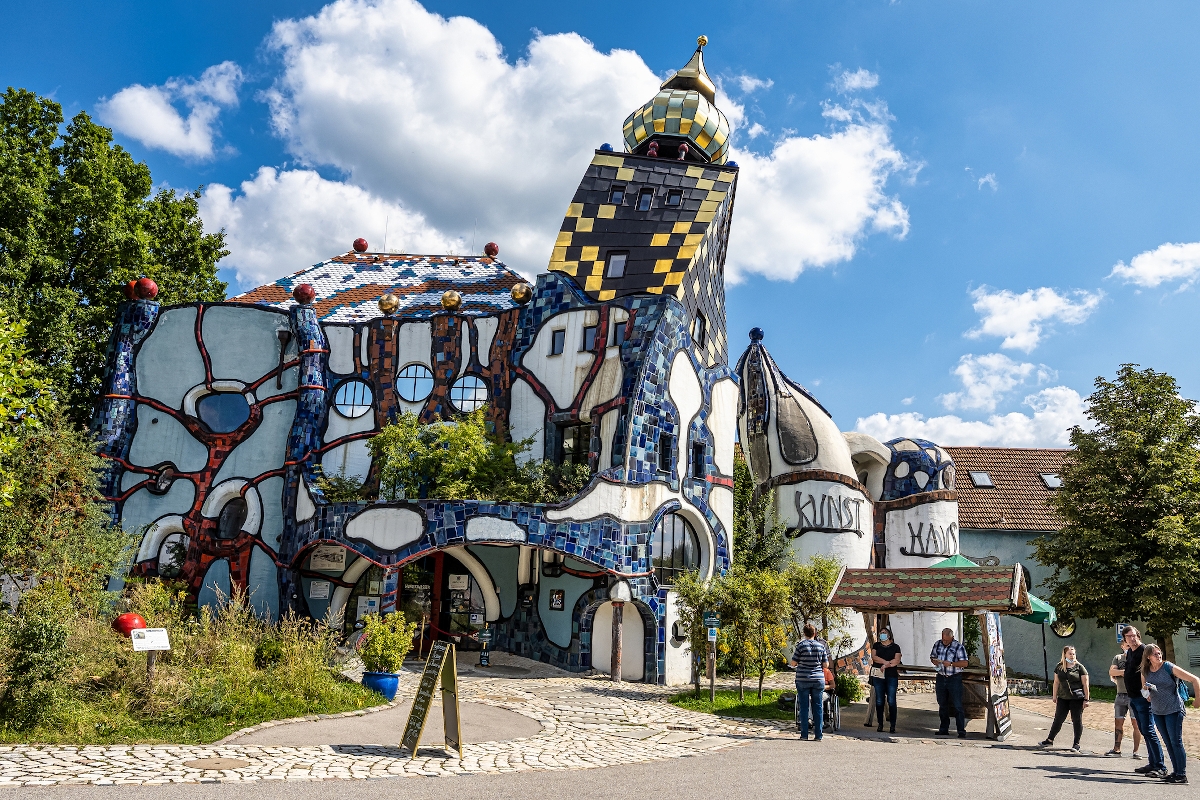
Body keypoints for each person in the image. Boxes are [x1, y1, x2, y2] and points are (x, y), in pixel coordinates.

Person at [1141, 643, 1200, 784]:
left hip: (1173, 709)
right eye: (1155, 654)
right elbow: (1144, 689)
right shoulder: (1146, 670)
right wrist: (1147, 693)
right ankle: (1176, 772)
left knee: (1176, 742)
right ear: (1148, 657)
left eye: (1159, 652)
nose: (1158, 655)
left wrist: (1198, 699)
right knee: (1168, 742)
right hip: (1157, 710)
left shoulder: (1168, 667)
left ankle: (1181, 774)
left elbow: (1195, 679)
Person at [1124, 626, 1168, 778]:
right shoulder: (1129, 651)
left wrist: (1147, 691)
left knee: (1149, 730)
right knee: (1144, 730)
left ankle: (1160, 766)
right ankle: (1153, 763)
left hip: (1143, 697)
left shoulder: (1144, 650)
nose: (1132, 638)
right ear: (1125, 639)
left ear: (1138, 636)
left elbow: (1150, 671)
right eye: (1129, 636)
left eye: (1134, 635)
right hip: (1133, 697)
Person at [1038, 645, 1089, 751]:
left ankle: (1076, 743)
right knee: (1058, 719)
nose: (1072, 656)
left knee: (1076, 720)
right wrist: (1054, 696)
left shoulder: (1079, 667)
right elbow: (1056, 682)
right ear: (1065, 654)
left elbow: (1085, 684)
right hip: (1063, 697)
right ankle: (1049, 740)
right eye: (1070, 653)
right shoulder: (1059, 667)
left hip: (1076, 698)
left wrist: (1086, 699)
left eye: (1074, 653)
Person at [789, 622, 831, 741]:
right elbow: (826, 664)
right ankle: (818, 735)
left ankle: (804, 734)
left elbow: (793, 662)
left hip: (803, 678)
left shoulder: (800, 645)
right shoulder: (821, 646)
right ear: (815, 633)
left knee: (804, 706)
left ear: (804, 633)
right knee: (818, 706)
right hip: (818, 678)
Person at [929, 627, 969, 738]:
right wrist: (935, 661)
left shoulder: (958, 647)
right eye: (943, 639)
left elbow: (965, 663)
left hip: (954, 677)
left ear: (952, 637)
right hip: (941, 676)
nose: (944, 642)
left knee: (957, 705)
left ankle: (961, 730)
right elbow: (932, 656)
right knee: (942, 704)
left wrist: (951, 664)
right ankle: (943, 729)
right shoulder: (938, 644)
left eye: (946, 640)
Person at [1106, 637, 1142, 758]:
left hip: (1134, 696)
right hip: (1120, 695)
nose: (1129, 648)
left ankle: (1136, 751)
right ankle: (1117, 749)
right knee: (1118, 722)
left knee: (1136, 724)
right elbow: (1112, 672)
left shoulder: (1137, 658)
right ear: (1122, 647)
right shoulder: (1118, 658)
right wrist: (1127, 672)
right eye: (1126, 646)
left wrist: (1121, 672)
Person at [869, 626, 902, 733]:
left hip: (891, 676)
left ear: (889, 635)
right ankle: (880, 724)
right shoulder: (876, 645)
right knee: (879, 700)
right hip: (878, 676)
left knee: (891, 700)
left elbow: (896, 660)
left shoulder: (896, 647)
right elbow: (874, 657)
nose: (882, 634)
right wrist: (886, 663)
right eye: (881, 633)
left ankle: (893, 725)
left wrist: (886, 666)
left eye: (884, 632)